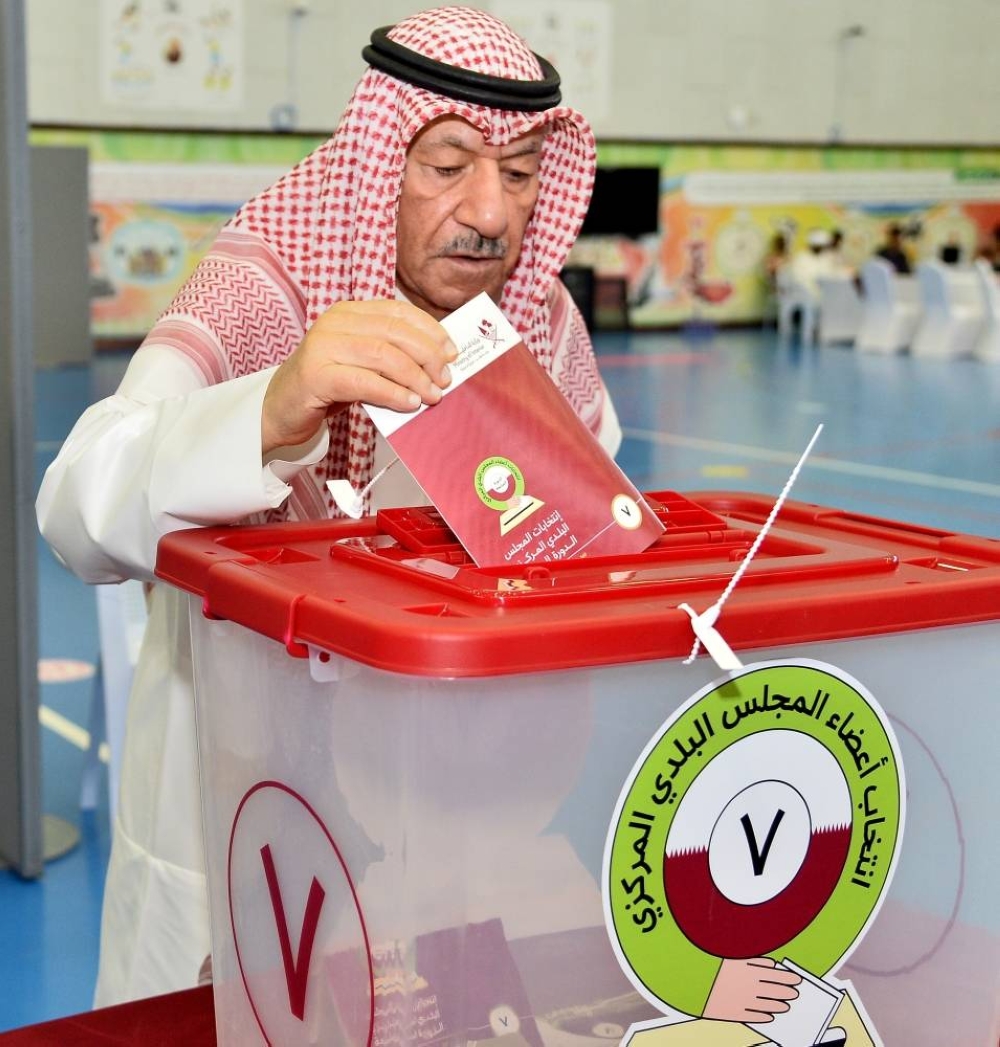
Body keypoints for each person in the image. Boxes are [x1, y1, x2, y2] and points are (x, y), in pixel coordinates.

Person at [37, 8, 800, 1027]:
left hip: (461, 831)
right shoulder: (261, 289)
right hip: (243, 807)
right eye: (448, 164)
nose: (490, 212)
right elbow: (75, 506)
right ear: (378, 161)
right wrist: (270, 409)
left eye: (522, 173)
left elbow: (593, 548)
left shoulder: (538, 324)